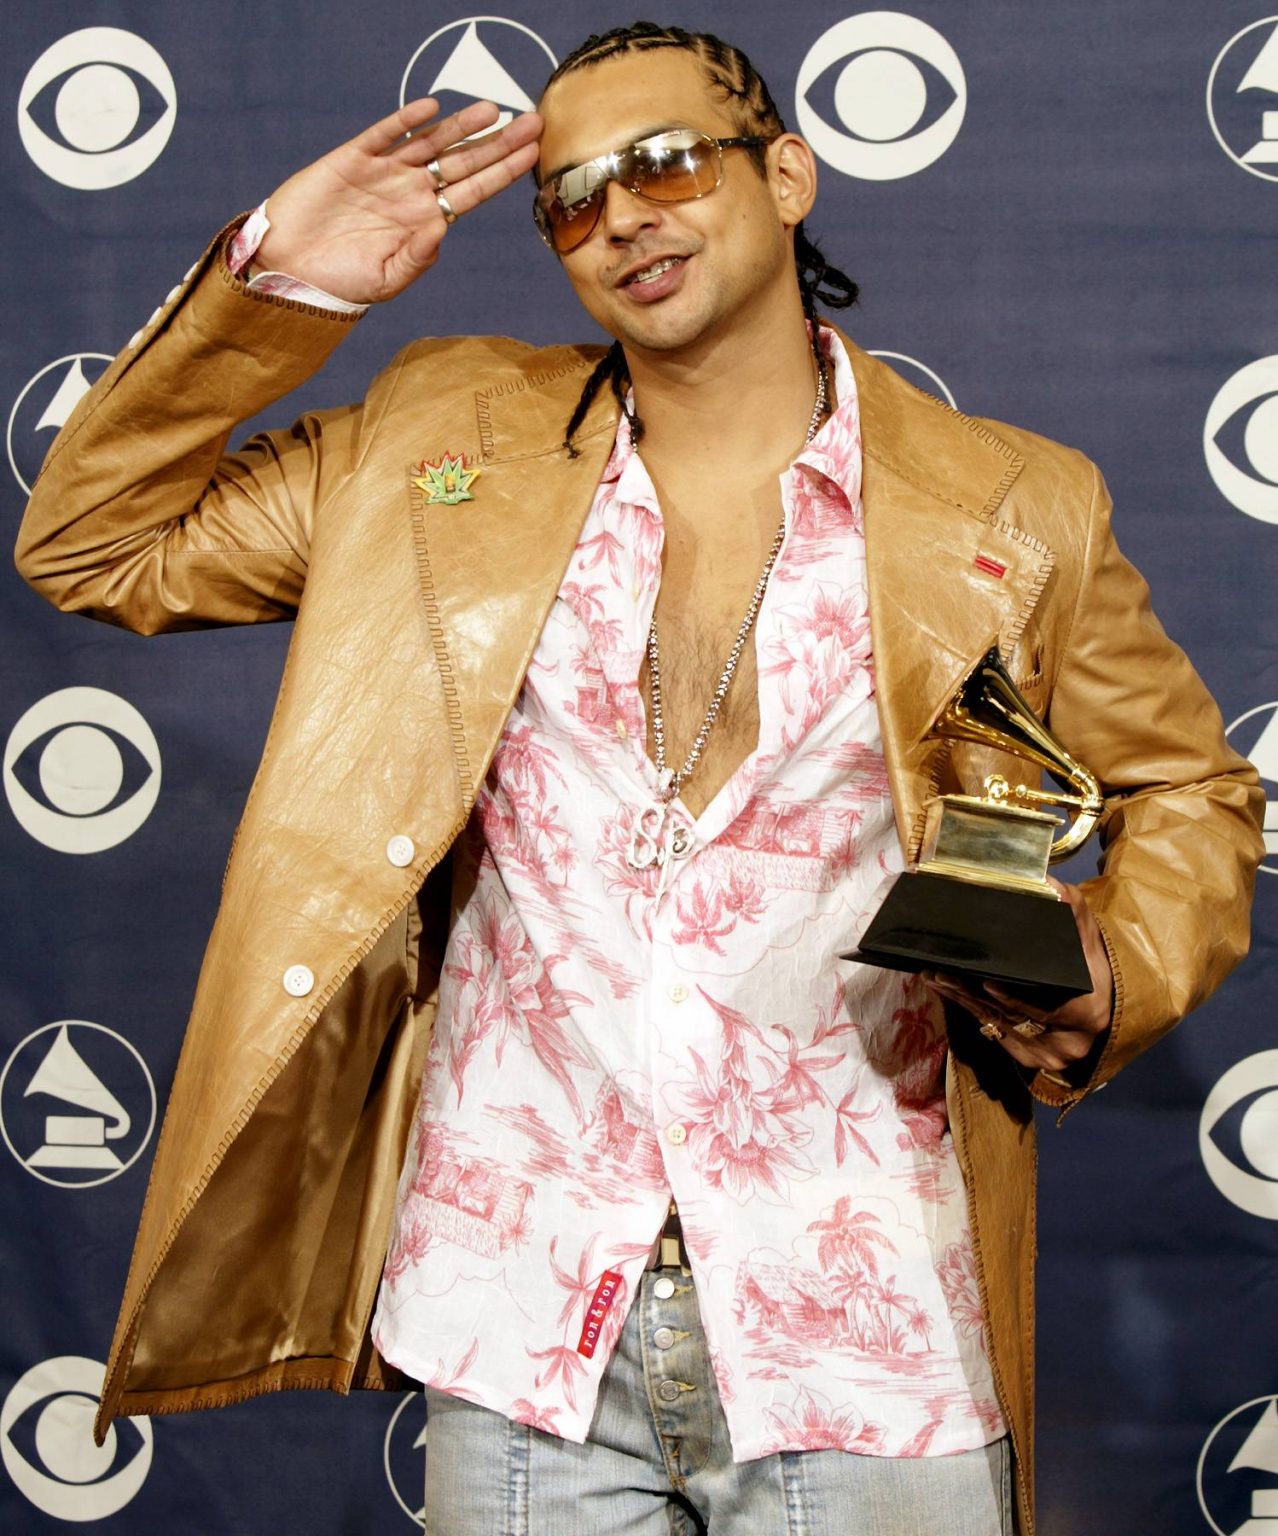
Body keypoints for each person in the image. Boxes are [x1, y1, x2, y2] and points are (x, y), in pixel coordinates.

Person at [14, 21, 1262, 1536]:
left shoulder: (1015, 502)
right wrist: (279, 287)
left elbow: (1188, 790)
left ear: (786, 175)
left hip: (866, 1323)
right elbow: (95, 544)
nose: (619, 216)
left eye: (666, 164)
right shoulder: (435, 443)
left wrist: (1115, 966)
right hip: (520, 1313)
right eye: (570, 197)